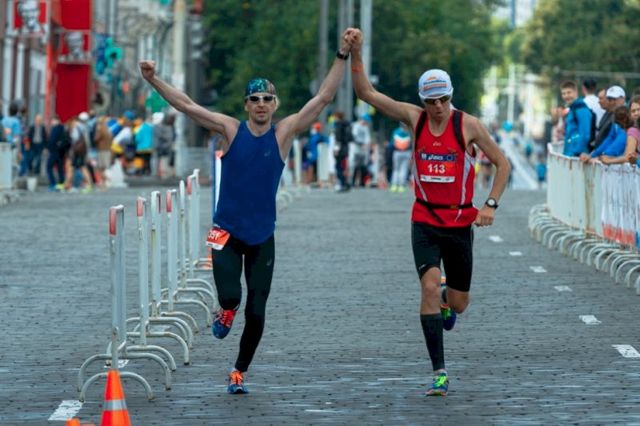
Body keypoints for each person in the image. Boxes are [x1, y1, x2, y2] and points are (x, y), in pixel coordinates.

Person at [139, 27, 355, 395]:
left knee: (257, 310)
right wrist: (153, 79)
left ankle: (239, 370)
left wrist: (342, 54)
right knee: (231, 298)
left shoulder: (283, 134)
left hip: (261, 235)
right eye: (254, 99)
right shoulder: (230, 129)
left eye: (267, 99)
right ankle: (225, 310)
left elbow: (322, 98)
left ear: (275, 104)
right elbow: (187, 106)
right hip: (225, 231)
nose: (260, 104)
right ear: (246, 105)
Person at [347, 29, 510, 397]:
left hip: (459, 221)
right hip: (424, 219)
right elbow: (366, 93)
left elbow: (503, 164)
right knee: (428, 286)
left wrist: (490, 204)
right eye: (432, 101)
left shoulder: (468, 125)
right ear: (423, 100)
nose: (438, 107)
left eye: (444, 100)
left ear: (451, 96)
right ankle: (439, 372)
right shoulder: (414, 118)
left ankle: (447, 302)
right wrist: (357, 53)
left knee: (459, 303)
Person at [560, 80, 594, 157]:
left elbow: (585, 134)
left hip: (577, 156)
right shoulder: (572, 109)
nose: (566, 96)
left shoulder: (581, 109)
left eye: (569, 92)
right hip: (569, 154)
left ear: (576, 92)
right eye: (563, 93)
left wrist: (576, 153)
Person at [389, 122, 411, 192]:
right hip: (406, 152)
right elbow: (411, 143)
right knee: (403, 169)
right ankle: (401, 185)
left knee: (396, 169)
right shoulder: (409, 132)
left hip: (397, 152)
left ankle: (394, 185)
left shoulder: (396, 131)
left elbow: (392, 143)